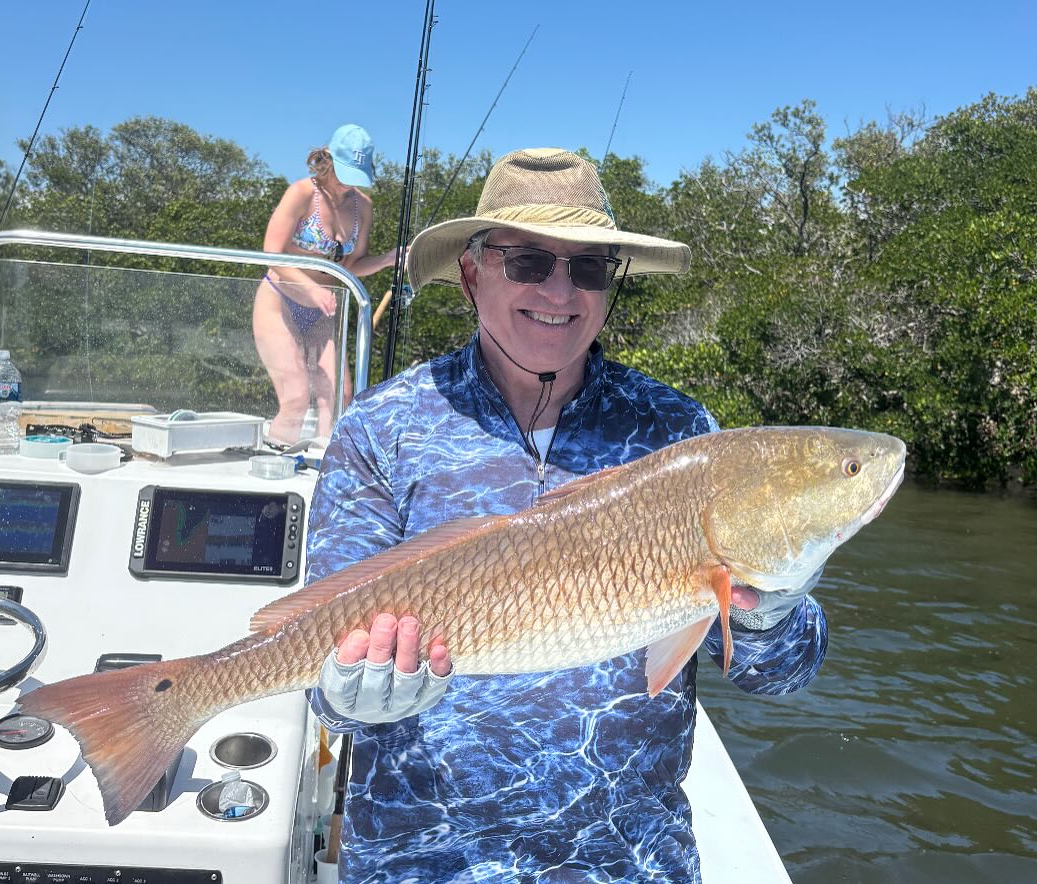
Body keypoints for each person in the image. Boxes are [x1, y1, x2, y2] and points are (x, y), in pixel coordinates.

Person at [304, 148, 828, 883]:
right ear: (469, 272)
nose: (559, 289)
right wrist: (344, 694)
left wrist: (770, 615)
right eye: (526, 261)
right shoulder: (380, 427)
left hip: (629, 860)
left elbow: (779, 676)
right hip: (421, 858)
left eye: (588, 268)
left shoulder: (679, 433)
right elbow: (323, 681)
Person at [252, 124, 397, 447]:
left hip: (321, 313)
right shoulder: (303, 193)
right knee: (296, 396)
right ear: (328, 160)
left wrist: (387, 259)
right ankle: (277, 468)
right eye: (345, 172)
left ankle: (322, 475)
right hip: (279, 302)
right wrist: (312, 288)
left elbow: (351, 266)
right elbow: (271, 253)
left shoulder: (364, 206)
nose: (349, 183)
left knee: (339, 395)